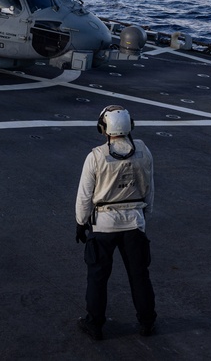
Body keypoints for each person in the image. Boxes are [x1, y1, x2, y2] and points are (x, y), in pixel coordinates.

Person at [75, 105, 156, 341]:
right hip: (134, 222)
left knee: (98, 278)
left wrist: (81, 222)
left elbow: (84, 195)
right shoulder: (143, 150)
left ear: (103, 128)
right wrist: (144, 214)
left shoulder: (96, 156)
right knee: (139, 276)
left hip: (103, 224)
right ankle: (147, 321)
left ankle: (95, 324)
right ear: (130, 125)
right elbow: (149, 187)